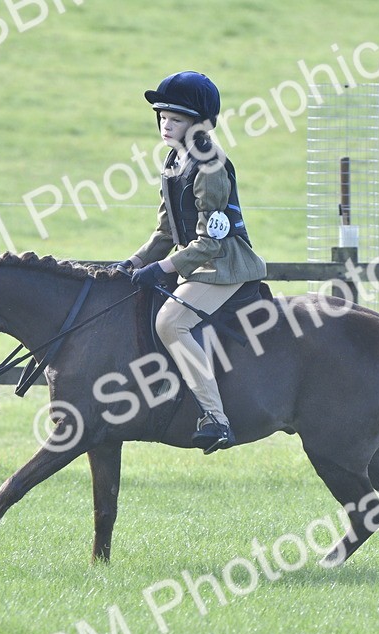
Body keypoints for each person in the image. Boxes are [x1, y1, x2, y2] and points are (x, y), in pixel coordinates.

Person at [112, 71, 268, 454]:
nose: (166, 124)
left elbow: (210, 242)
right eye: (163, 117)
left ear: (199, 124)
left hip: (223, 264)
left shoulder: (209, 166)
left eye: (176, 119)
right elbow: (166, 231)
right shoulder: (174, 161)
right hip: (197, 263)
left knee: (171, 322)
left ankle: (216, 418)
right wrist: (131, 263)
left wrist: (162, 269)